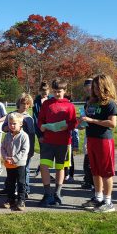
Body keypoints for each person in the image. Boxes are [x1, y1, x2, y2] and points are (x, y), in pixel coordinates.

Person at [81, 74, 117, 213]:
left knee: (106, 172)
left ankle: (108, 202)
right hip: (91, 139)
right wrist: (83, 121)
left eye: (98, 87)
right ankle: (98, 198)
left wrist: (92, 120)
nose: (95, 90)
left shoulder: (110, 103)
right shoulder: (91, 102)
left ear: (105, 87)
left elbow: (112, 123)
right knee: (95, 170)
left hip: (104, 140)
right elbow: (87, 120)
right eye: (94, 87)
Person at [38, 79, 77, 207]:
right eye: (54, 91)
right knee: (44, 166)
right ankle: (47, 193)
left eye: (59, 91)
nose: (57, 94)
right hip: (48, 141)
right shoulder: (47, 104)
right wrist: (42, 127)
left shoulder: (70, 106)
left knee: (60, 167)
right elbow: (40, 120)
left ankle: (57, 193)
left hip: (64, 142)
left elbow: (73, 122)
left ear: (65, 91)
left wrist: (67, 127)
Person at [1, 93, 35, 198]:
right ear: (18, 103)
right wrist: (9, 126)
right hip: (11, 146)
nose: (25, 106)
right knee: (10, 168)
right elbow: (3, 127)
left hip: (23, 148)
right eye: (23, 103)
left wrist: (31, 150)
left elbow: (31, 135)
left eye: (27, 104)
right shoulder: (11, 115)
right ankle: (9, 188)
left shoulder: (28, 118)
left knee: (25, 170)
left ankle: (25, 190)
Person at [0, 112, 30, 211]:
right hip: (9, 164)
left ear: (20, 124)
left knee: (21, 182)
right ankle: (10, 199)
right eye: (10, 123)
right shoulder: (7, 135)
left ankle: (21, 200)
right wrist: (5, 157)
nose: (12, 126)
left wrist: (14, 159)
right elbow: (3, 147)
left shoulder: (24, 136)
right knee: (10, 182)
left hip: (19, 164)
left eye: (14, 124)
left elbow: (24, 150)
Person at [32, 82, 51, 177]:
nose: (45, 93)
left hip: (51, 129)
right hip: (41, 130)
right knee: (44, 151)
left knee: (50, 152)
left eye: (46, 91)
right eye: (43, 91)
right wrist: (39, 134)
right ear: (40, 91)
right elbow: (35, 119)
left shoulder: (52, 100)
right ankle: (43, 171)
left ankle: (42, 168)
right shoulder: (36, 102)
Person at [80, 78, 94, 190]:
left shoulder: (97, 100)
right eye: (86, 88)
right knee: (87, 154)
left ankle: (91, 181)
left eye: (89, 87)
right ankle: (88, 180)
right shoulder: (87, 100)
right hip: (88, 132)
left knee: (92, 157)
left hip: (98, 134)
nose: (88, 89)